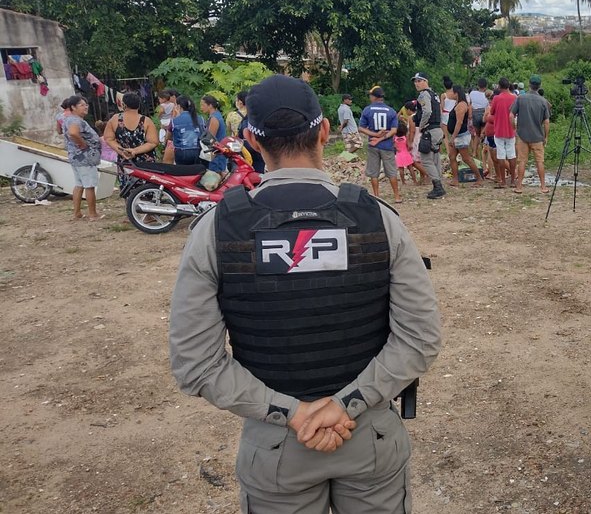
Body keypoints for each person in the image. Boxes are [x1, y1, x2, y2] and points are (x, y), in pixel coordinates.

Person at [169, 73, 442, 513]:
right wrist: (345, 404)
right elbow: (420, 338)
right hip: (367, 433)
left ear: (252, 142)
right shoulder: (378, 220)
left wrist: (292, 415)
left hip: (277, 447)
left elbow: (195, 364)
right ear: (325, 131)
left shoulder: (216, 231)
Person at [358, 87, 403, 203]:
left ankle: (377, 196)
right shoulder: (391, 111)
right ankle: (397, 196)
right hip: (387, 146)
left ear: (374, 97)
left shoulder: (367, 110)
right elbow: (394, 131)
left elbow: (361, 128)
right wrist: (383, 137)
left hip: (373, 145)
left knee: (374, 172)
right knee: (391, 172)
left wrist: (375, 135)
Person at [62, 96, 103, 220]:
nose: (86, 107)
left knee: (79, 184)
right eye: (82, 105)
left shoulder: (69, 119)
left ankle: (77, 213)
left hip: (76, 157)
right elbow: (73, 133)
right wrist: (82, 144)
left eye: (86, 105)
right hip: (84, 158)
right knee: (89, 185)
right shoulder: (75, 120)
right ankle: (92, 214)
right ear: (73, 107)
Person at [510, 74, 550, 194]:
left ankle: (519, 187)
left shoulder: (520, 98)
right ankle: (543, 186)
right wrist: (546, 136)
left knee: (522, 161)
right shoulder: (543, 101)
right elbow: (547, 122)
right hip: (537, 136)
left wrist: (514, 128)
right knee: (540, 162)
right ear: (539, 86)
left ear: (529, 85)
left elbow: (511, 115)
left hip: (522, 136)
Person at [412, 73, 446, 199]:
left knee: (426, 159)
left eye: (419, 81)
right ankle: (438, 184)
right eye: (415, 81)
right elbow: (439, 112)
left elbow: (427, 111)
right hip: (437, 129)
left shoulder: (424, 94)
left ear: (425, 81)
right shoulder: (435, 95)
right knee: (435, 158)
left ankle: (438, 186)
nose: (416, 83)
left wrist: (421, 126)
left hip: (429, 130)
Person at [102, 92, 158, 164]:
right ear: (138, 105)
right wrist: (135, 151)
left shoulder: (115, 119)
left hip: (125, 161)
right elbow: (153, 142)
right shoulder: (146, 121)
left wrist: (122, 151)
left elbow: (108, 138)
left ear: (123, 105)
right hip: (146, 163)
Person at [445, 85, 483, 188]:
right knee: (452, 156)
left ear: (456, 93)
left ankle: (479, 178)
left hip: (460, 136)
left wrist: (453, 137)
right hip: (457, 136)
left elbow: (459, 122)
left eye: (452, 92)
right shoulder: (457, 104)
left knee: (466, 158)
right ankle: (455, 179)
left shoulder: (461, 105)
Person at [485, 78, 517, 189]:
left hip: (499, 131)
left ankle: (503, 181)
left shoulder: (497, 98)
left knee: (501, 156)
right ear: (509, 86)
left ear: (499, 86)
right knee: (512, 155)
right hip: (511, 130)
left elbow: (492, 112)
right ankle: (513, 180)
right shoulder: (514, 98)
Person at [170, 96, 204, 165]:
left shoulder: (174, 121)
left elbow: (168, 136)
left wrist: (175, 116)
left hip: (181, 153)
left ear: (178, 106)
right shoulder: (201, 119)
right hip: (198, 152)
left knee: (183, 173)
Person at [201, 95, 229, 177]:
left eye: (203, 105)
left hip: (217, 153)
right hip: (219, 151)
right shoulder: (217, 115)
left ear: (210, 106)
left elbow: (210, 138)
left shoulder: (214, 118)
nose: (201, 107)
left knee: (216, 176)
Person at [468, 78, 490, 162]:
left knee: (476, 135)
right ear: (486, 86)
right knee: (484, 134)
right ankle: (484, 153)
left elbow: (470, 103)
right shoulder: (488, 94)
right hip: (484, 113)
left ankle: (474, 152)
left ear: (478, 85)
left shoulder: (472, 93)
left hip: (475, 113)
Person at [394, 121, 417, 186]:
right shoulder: (405, 137)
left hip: (399, 155)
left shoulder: (395, 138)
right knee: (410, 168)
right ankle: (414, 180)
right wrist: (410, 148)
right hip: (406, 153)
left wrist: (397, 148)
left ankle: (403, 182)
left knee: (401, 169)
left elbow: (394, 145)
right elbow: (409, 146)